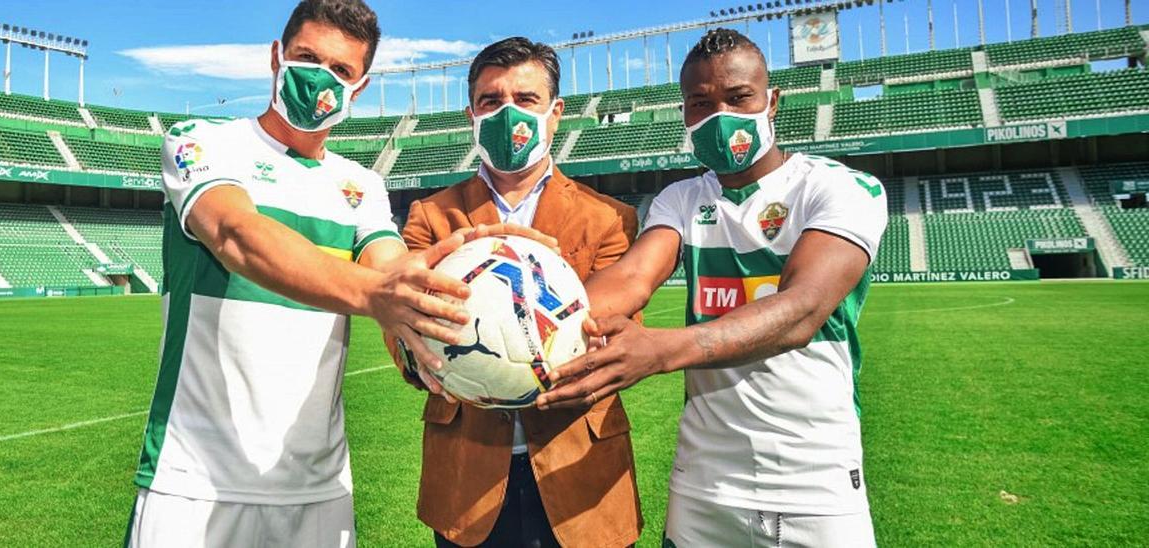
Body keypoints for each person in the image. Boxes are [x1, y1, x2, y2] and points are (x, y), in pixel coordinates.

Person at [125, 2, 552, 546]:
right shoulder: (203, 141)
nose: (321, 79)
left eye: (341, 70)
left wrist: (481, 286)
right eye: (307, 58)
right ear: (276, 57)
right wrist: (378, 293)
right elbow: (235, 235)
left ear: (361, 85)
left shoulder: (361, 187)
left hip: (319, 488)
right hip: (194, 480)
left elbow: (392, 267)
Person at [536, 28, 888, 547]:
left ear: (772, 100)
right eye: (700, 104)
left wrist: (663, 351)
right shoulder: (681, 199)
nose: (718, 115)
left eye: (738, 97)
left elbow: (801, 309)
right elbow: (633, 278)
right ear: (685, 115)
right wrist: (536, 315)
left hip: (816, 482)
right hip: (702, 483)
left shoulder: (839, 188)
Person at [391, 37, 643, 548]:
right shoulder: (431, 217)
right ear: (472, 115)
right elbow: (401, 333)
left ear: (556, 113)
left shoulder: (610, 218)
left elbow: (620, 334)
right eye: (491, 101)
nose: (509, 113)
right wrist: (424, 358)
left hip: (581, 474)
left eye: (526, 99)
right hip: (468, 479)